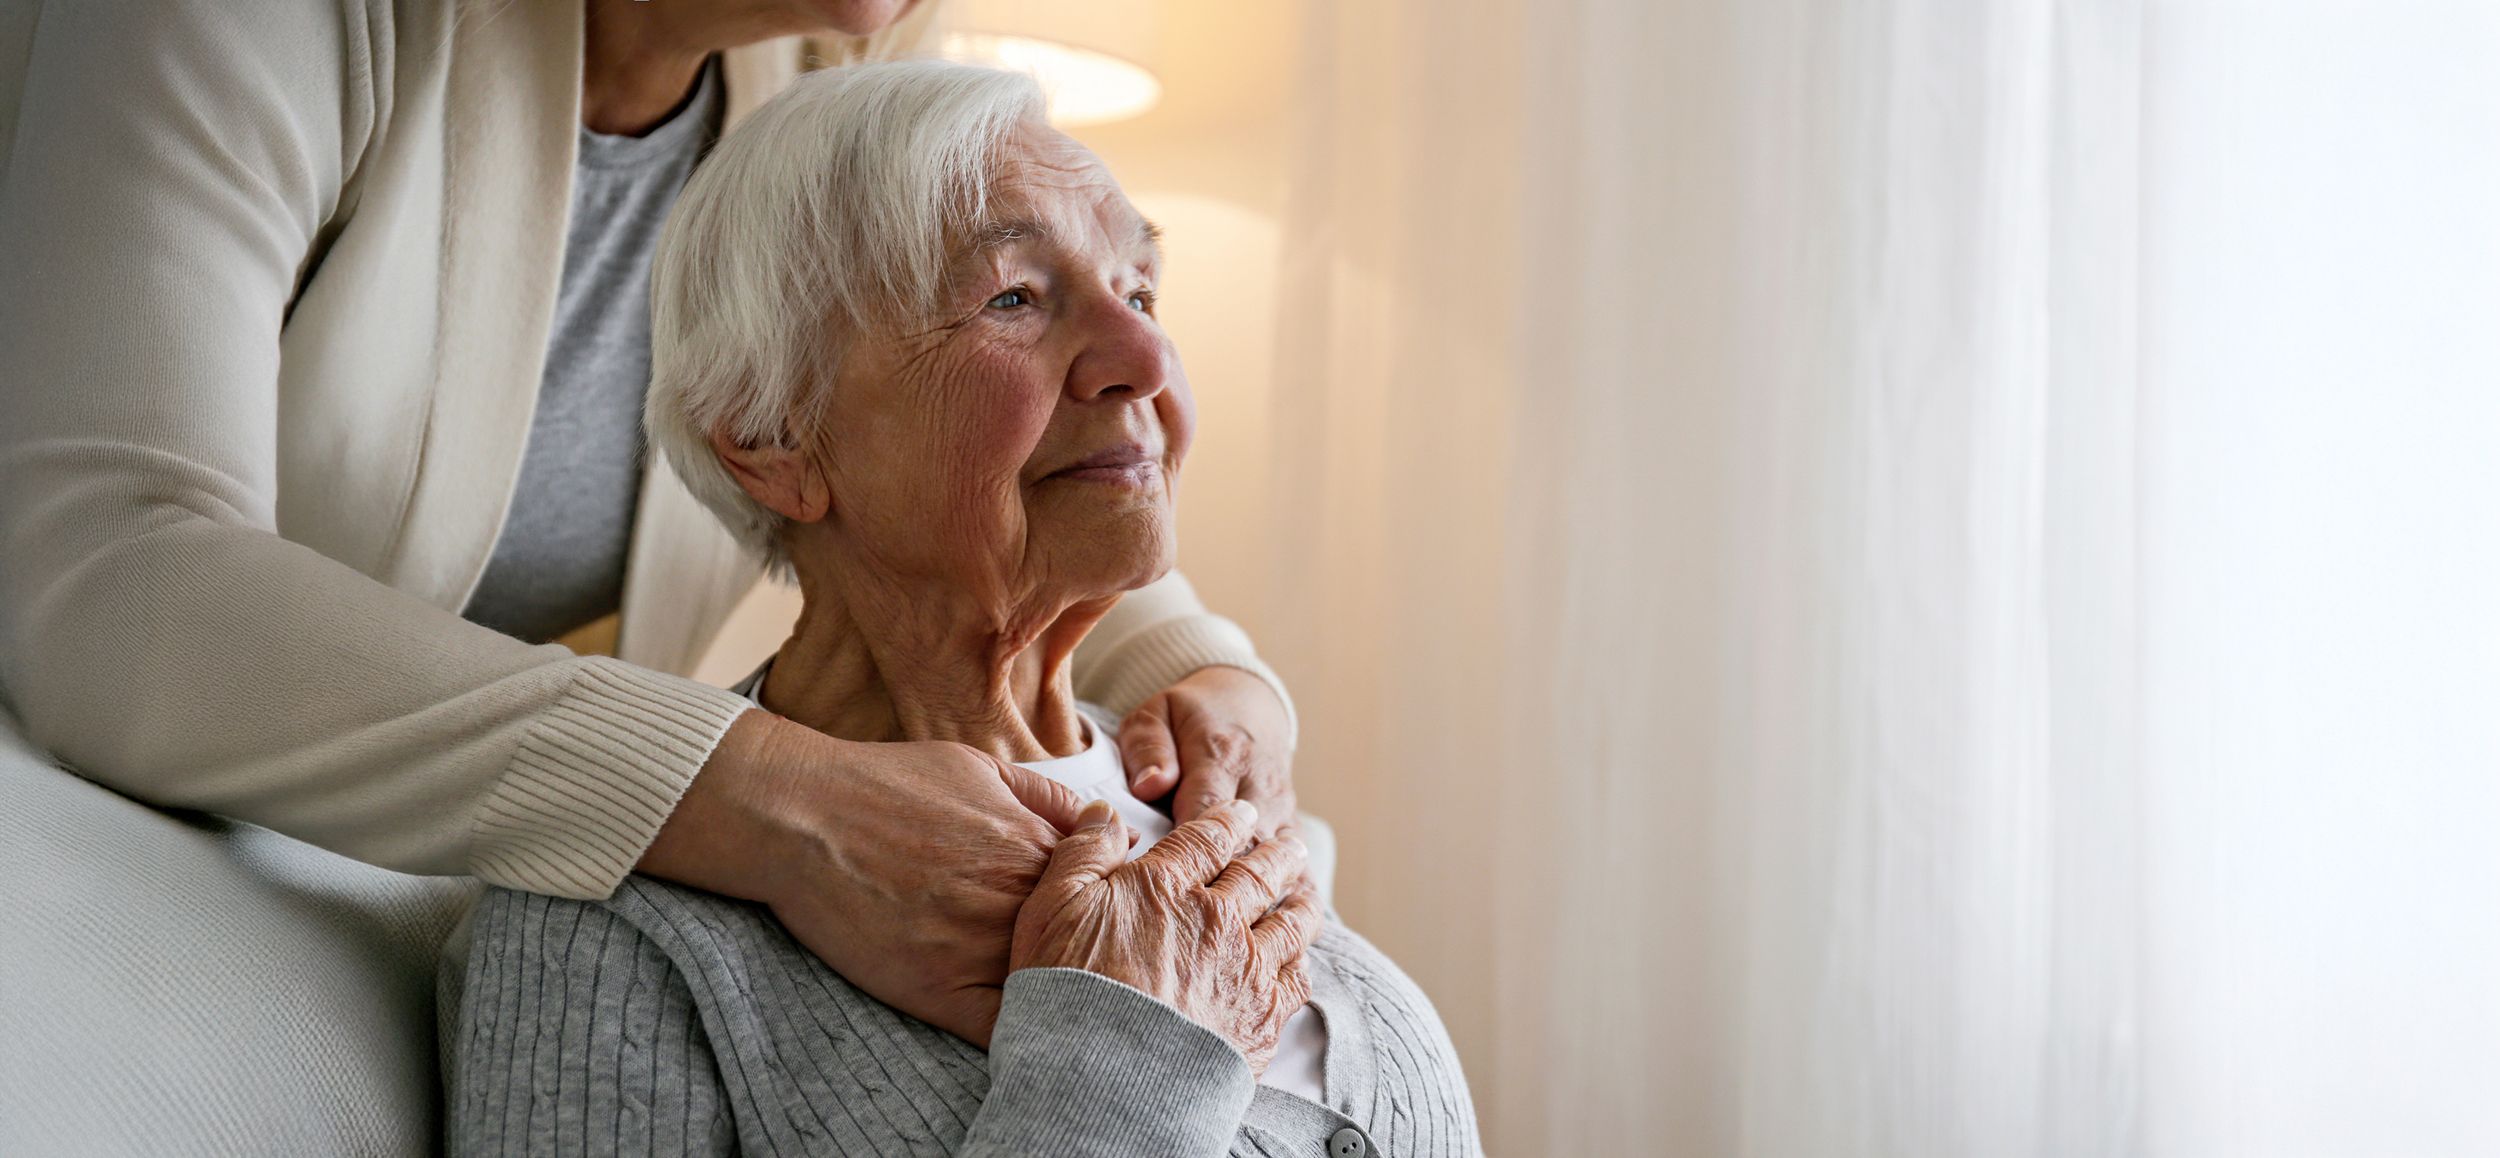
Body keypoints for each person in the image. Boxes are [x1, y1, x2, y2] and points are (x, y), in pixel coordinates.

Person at [0, 0, 1300, 1044]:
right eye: (1014, 295)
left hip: (432, 848)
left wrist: (1197, 667)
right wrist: (770, 798)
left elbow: (974, 451)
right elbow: (108, 574)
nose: (1137, 346)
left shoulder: (847, 47)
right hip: (92, 823)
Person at [451, 59, 1479, 1157]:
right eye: (1012, 298)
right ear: (772, 440)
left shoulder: (1213, 793)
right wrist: (1126, 1067)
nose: (1144, 358)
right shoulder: (609, 925)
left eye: (1139, 292)